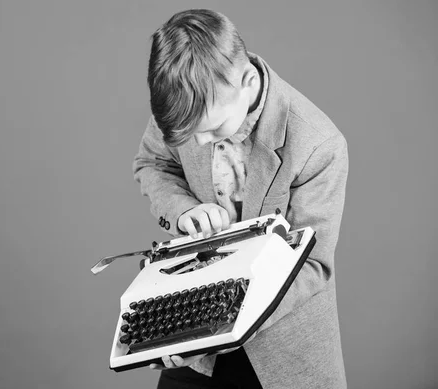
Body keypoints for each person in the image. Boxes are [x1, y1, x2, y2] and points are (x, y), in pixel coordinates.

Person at [132, 9, 348, 389]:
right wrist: (185, 211)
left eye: (212, 128)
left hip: (282, 354)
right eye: (187, 134)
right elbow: (152, 163)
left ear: (247, 82)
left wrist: (217, 324)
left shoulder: (319, 144)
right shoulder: (185, 101)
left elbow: (312, 265)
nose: (198, 143)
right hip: (196, 343)